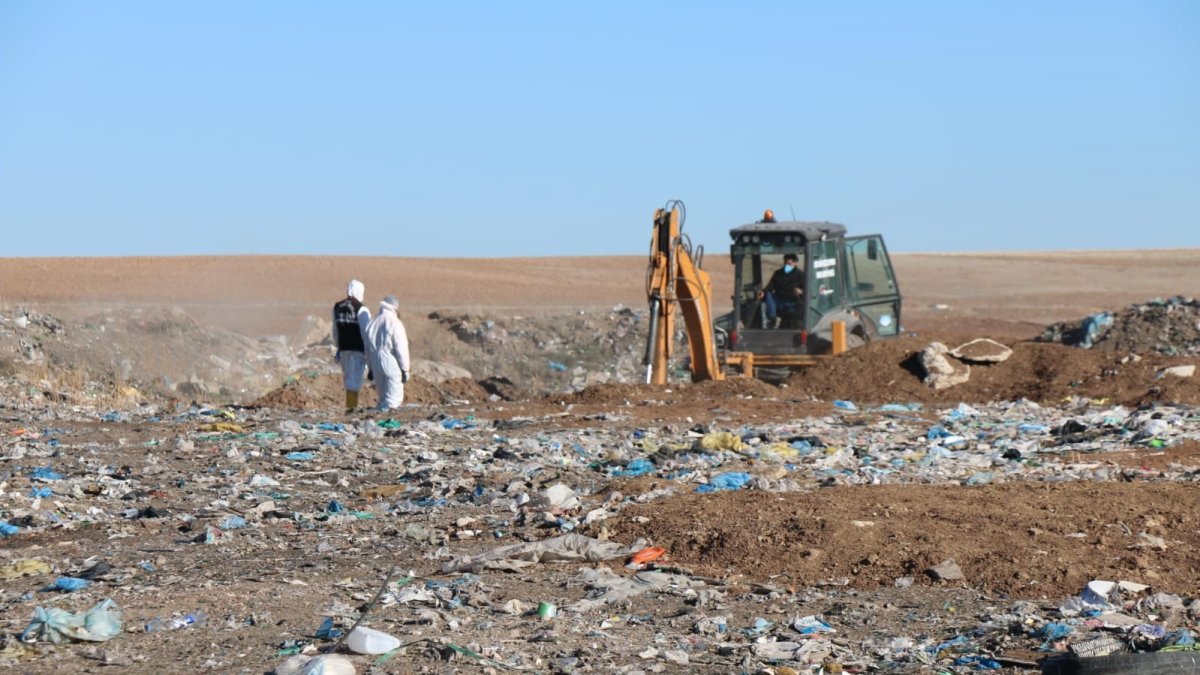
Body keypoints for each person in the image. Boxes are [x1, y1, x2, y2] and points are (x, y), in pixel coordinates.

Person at [364, 294, 411, 410]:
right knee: (393, 399)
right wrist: (405, 369)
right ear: (394, 307)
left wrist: (370, 367)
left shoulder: (372, 323)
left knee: (383, 396)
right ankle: (388, 422)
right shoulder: (395, 323)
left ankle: (380, 418)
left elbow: (367, 348)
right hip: (391, 361)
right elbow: (401, 348)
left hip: (375, 362)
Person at [332, 279, 371, 412]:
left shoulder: (337, 307)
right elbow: (366, 332)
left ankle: (350, 406)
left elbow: (335, 330)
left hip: (344, 348)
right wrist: (368, 351)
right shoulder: (361, 308)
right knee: (355, 379)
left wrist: (338, 347)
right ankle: (351, 407)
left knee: (348, 378)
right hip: (357, 349)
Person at [760, 253, 804, 328]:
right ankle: (773, 318)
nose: (787, 265)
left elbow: (807, 290)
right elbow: (770, 286)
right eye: (785, 263)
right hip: (779, 301)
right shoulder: (778, 274)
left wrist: (801, 291)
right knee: (768, 294)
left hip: (793, 303)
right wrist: (763, 293)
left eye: (789, 263)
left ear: (795, 263)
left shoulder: (801, 275)